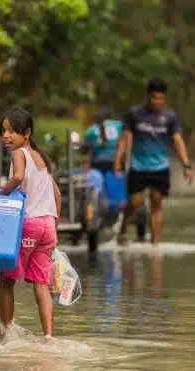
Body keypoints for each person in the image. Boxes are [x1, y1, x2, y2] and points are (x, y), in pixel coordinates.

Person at [0, 107, 62, 340]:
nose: (6, 136)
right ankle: (48, 336)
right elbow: (58, 195)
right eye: (3, 131)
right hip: (47, 226)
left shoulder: (20, 153)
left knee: (7, 279)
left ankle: (5, 332)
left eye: (12, 131)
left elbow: (17, 177)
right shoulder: (42, 158)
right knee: (41, 285)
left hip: (28, 224)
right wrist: (53, 226)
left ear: (26, 133)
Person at [113, 78, 193, 246]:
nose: (157, 102)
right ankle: (123, 230)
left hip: (160, 166)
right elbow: (124, 138)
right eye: (154, 98)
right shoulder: (135, 114)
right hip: (138, 165)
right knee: (134, 202)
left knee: (157, 201)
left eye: (160, 99)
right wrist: (117, 161)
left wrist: (186, 165)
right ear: (148, 96)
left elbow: (177, 140)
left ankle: (155, 244)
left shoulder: (169, 117)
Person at [83, 107, 123, 175]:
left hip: (98, 162)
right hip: (116, 161)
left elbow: (87, 149)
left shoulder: (91, 129)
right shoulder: (119, 125)